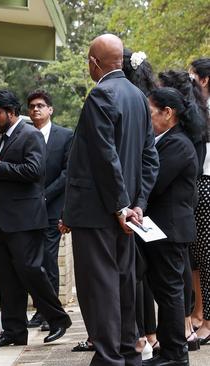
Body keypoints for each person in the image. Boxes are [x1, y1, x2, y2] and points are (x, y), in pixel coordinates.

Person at [60, 34, 159, 366]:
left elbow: (105, 156)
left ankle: (108, 359)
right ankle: (128, 353)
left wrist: (119, 205)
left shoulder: (100, 96)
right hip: (127, 212)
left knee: (99, 288)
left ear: (93, 62)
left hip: (99, 211)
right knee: (123, 283)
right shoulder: (137, 96)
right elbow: (149, 158)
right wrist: (137, 205)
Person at [0, 90, 71, 348]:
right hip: (1, 220)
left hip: (25, 219)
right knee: (7, 278)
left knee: (30, 271)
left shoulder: (31, 135)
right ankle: (14, 331)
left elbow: (34, 170)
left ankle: (58, 318)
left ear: (12, 112)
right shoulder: (1, 139)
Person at [141, 87, 201, 366]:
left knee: (171, 292)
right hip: (159, 229)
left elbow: (154, 182)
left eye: (151, 112)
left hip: (170, 229)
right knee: (165, 291)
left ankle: (176, 353)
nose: (147, 118)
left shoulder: (177, 144)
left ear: (169, 113)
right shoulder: (164, 140)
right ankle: (167, 350)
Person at [158, 68, 209, 351]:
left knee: (187, 270)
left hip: (183, 210)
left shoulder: (184, 139)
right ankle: (185, 328)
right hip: (183, 208)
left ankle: (189, 327)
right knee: (183, 271)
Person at [24, 90, 73, 332]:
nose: (36, 110)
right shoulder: (24, 135)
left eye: (41, 106)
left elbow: (67, 174)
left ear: (50, 109)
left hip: (52, 208)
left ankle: (51, 312)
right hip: (28, 211)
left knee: (48, 261)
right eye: (32, 106)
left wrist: (45, 195)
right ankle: (40, 309)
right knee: (32, 261)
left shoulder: (65, 136)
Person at [122, 48, 158, 360]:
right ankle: (149, 334)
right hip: (144, 202)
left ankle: (140, 337)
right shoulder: (145, 102)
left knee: (134, 273)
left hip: (131, 203)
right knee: (141, 274)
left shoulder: (131, 104)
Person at [188, 58, 210, 345]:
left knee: (206, 256)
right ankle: (198, 309)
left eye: (193, 77)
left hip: (207, 183)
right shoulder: (197, 109)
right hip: (196, 184)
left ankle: (207, 319)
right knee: (194, 256)